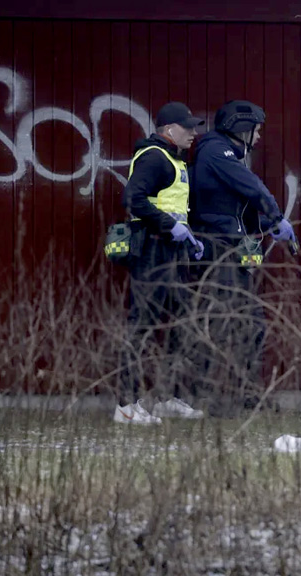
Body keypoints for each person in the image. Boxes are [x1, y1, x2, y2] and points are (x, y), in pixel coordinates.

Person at [189, 100, 296, 416]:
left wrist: (267, 227)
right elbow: (252, 188)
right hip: (218, 251)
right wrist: (276, 216)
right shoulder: (215, 152)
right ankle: (214, 398)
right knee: (227, 324)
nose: (259, 137)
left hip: (231, 248)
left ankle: (247, 394)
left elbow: (233, 211)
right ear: (241, 128)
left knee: (250, 324)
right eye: (256, 130)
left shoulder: (226, 157)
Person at [115, 102, 207, 424]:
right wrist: (171, 227)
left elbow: (172, 207)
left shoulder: (173, 159)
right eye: (188, 127)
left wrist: (189, 238)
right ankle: (126, 407)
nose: (194, 133)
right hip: (153, 253)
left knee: (182, 324)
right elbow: (132, 199)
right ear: (170, 129)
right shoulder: (155, 157)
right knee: (141, 327)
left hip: (172, 252)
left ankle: (169, 397)